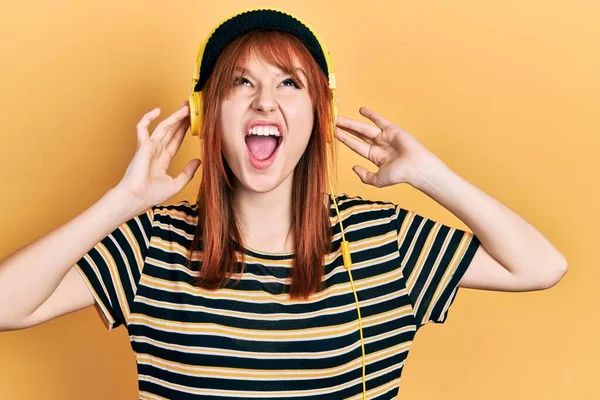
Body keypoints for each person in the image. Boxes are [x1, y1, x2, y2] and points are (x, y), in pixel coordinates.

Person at [0, 7, 567, 400]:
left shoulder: (383, 242)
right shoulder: (153, 248)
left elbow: (540, 265)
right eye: (240, 84)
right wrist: (118, 203)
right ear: (206, 117)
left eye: (290, 84)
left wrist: (429, 175)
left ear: (319, 113)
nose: (264, 102)